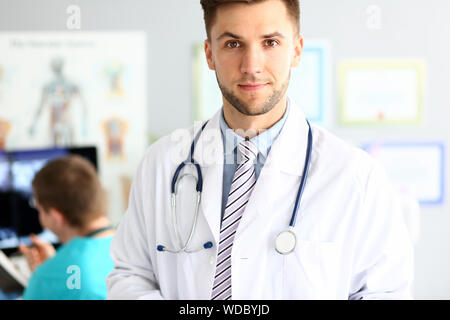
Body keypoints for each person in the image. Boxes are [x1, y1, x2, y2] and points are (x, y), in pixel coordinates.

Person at [106, 0, 413, 300]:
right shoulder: (162, 164)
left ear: (296, 49)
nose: (251, 66)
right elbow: (131, 275)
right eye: (232, 44)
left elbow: (384, 291)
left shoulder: (356, 176)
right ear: (209, 54)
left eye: (270, 42)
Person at [19, 155, 115, 300]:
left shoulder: (47, 278)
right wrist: (56, 264)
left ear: (56, 217)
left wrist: (49, 274)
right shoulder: (137, 247)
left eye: (39, 209)